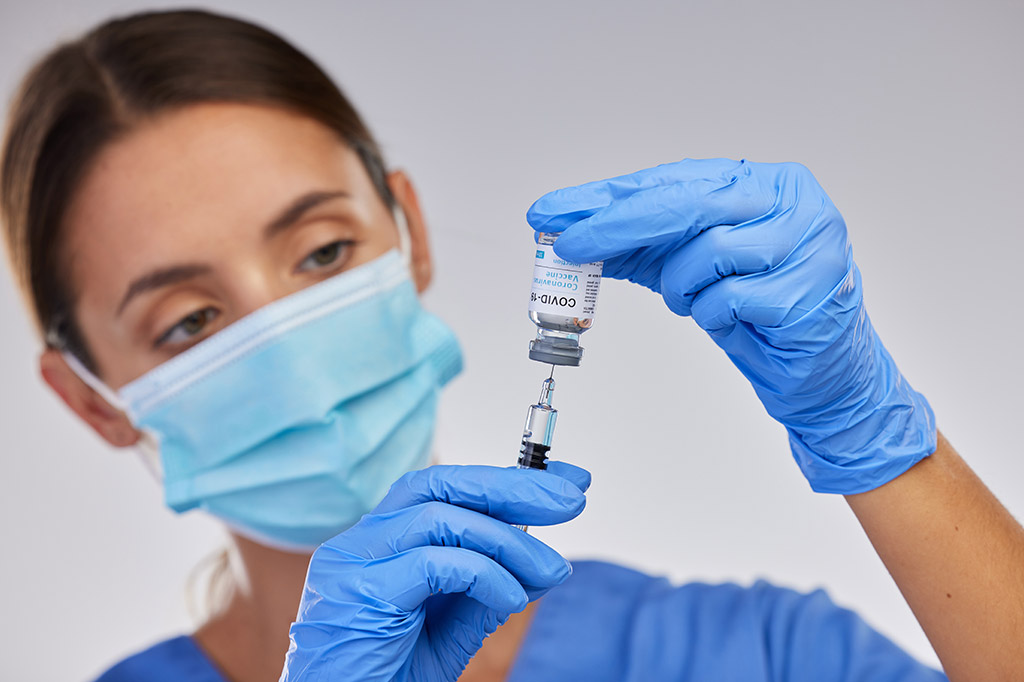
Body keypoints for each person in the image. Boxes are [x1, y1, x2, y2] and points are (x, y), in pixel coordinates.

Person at [1, 9, 1021, 682]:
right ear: (93, 399)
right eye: (189, 319)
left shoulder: (742, 653)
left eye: (320, 250)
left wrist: (879, 442)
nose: (293, 351)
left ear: (410, 230)